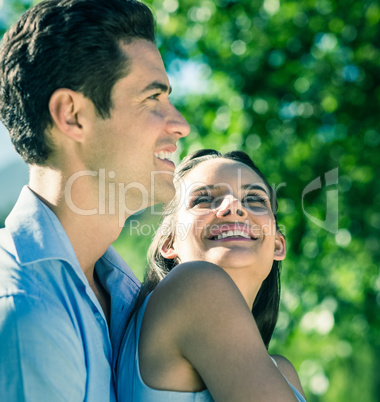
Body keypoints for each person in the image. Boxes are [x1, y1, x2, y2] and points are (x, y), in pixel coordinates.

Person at [0, 0, 189, 400]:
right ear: (71, 115)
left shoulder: (120, 289)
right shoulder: (26, 311)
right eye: (152, 99)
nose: (181, 124)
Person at [116, 149, 306, 401]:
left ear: (278, 245)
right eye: (203, 199)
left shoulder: (283, 371)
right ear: (169, 242)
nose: (235, 206)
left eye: (255, 200)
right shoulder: (195, 286)